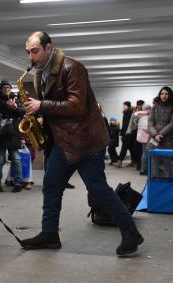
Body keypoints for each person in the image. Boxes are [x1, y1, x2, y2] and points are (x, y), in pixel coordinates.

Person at [21, 31, 143, 256]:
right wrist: (40, 117)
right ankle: (50, 234)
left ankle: (130, 232)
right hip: (62, 142)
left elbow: (75, 106)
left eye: (35, 51)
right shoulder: (40, 75)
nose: (30, 56)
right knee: (51, 186)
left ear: (49, 48)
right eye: (28, 51)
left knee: (98, 189)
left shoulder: (73, 68)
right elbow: (54, 108)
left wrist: (42, 106)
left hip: (86, 141)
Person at [0, 80, 25, 193]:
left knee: (17, 159)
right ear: (0, 89)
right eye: (4, 88)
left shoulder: (15, 99)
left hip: (13, 134)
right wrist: (5, 106)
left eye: (8, 88)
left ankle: (18, 183)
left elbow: (22, 112)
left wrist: (15, 107)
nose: (6, 90)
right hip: (0, 134)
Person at [147, 86, 173, 178]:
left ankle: (168, 184)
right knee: (154, 163)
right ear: (159, 95)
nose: (164, 96)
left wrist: (160, 134)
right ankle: (154, 184)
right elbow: (150, 123)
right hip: (154, 138)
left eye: (166, 94)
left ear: (170, 95)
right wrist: (155, 135)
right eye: (162, 93)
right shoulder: (154, 107)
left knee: (167, 163)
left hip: (167, 138)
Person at [114, 101, 135, 167]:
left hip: (127, 133)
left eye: (124, 105)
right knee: (131, 148)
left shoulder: (128, 113)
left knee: (124, 148)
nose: (123, 107)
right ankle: (134, 161)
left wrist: (123, 132)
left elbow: (126, 125)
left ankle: (120, 161)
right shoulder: (128, 113)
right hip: (129, 133)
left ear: (128, 106)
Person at [135, 104, 151, 175]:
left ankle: (144, 168)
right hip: (147, 137)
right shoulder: (145, 116)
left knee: (145, 153)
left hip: (143, 137)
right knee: (145, 153)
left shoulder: (140, 115)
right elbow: (146, 128)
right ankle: (143, 169)